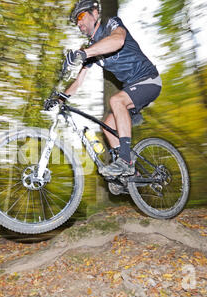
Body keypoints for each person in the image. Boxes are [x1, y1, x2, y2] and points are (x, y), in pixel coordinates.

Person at [49, 0, 162, 177]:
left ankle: (126, 162)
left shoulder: (111, 24)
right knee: (107, 125)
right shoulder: (91, 50)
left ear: (94, 13)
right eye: (76, 21)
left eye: (80, 16)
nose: (78, 23)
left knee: (116, 100)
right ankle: (131, 176)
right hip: (133, 88)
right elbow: (78, 82)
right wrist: (60, 98)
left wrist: (84, 53)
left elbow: (118, 40)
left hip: (149, 79)